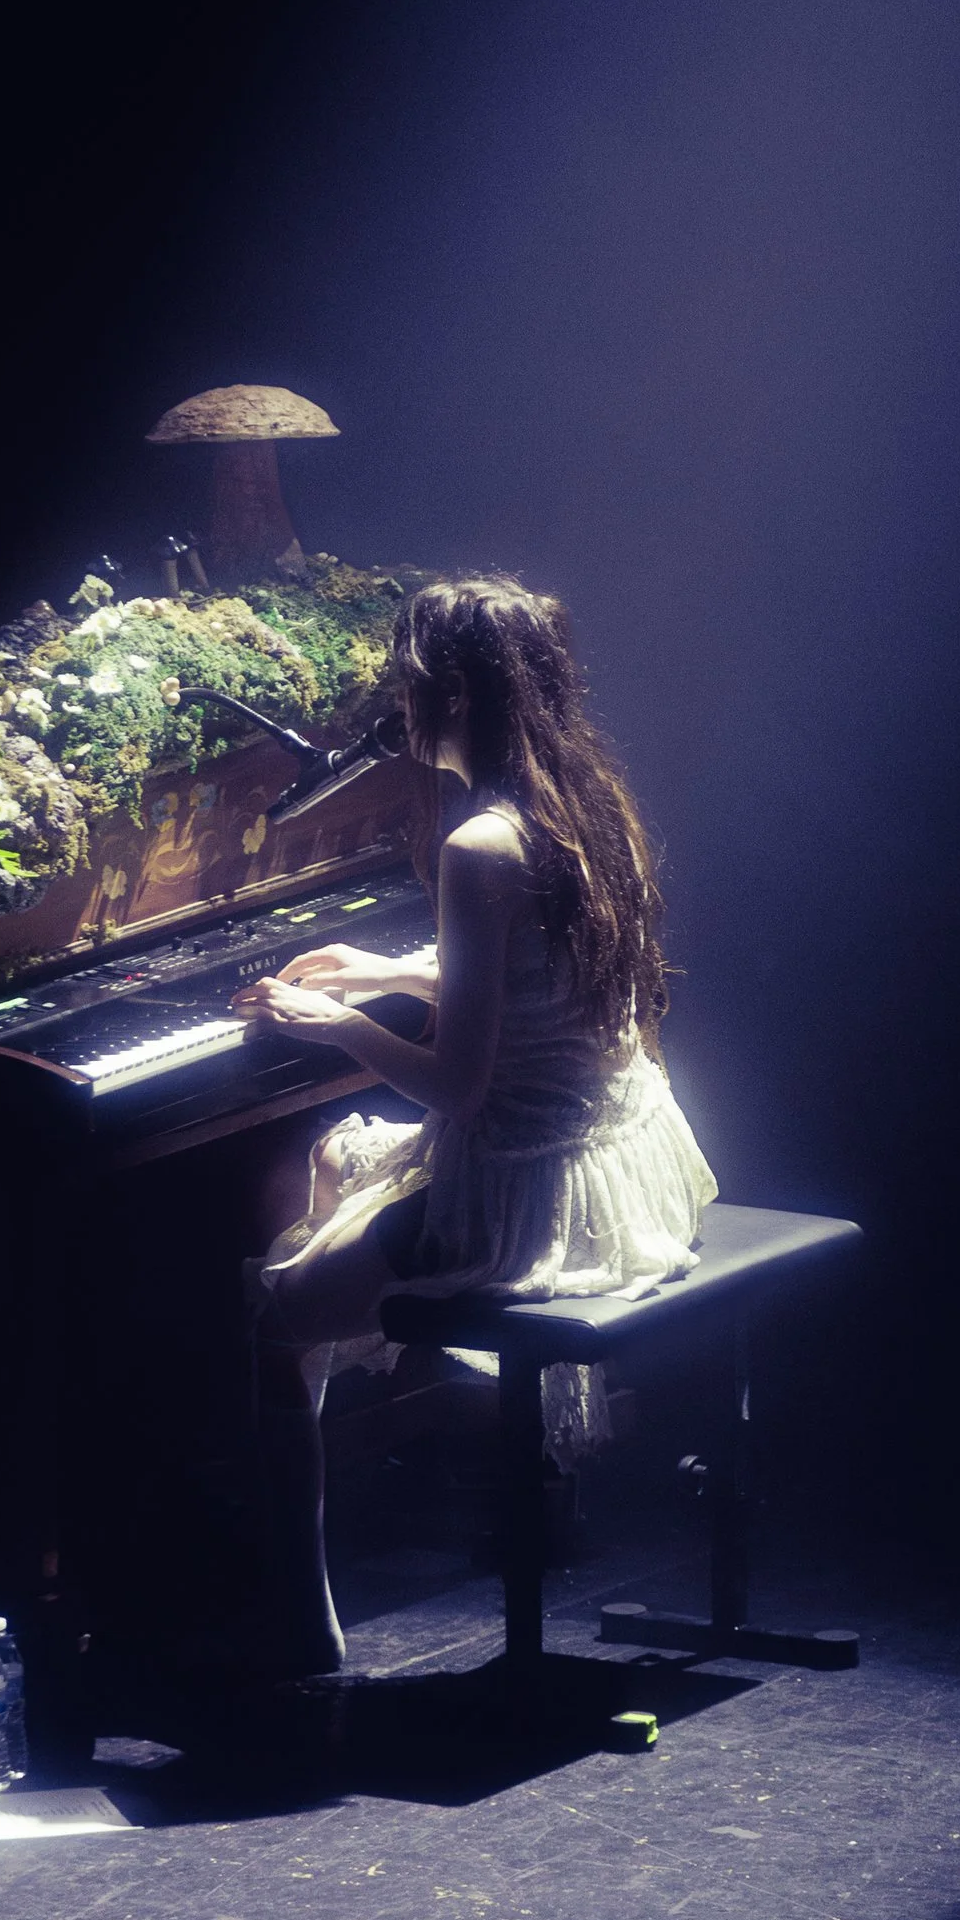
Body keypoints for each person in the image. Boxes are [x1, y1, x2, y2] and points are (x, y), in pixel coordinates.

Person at [233, 577, 716, 1675]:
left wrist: (332, 1022)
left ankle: (296, 1616)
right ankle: (389, 1403)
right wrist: (388, 966)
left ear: (447, 693)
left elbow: (455, 1092)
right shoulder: (591, 803)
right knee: (324, 1167)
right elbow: (544, 977)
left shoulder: (479, 844)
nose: (396, 707)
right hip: (622, 1154)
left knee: (267, 1329)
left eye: (406, 684)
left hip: (525, 1193)